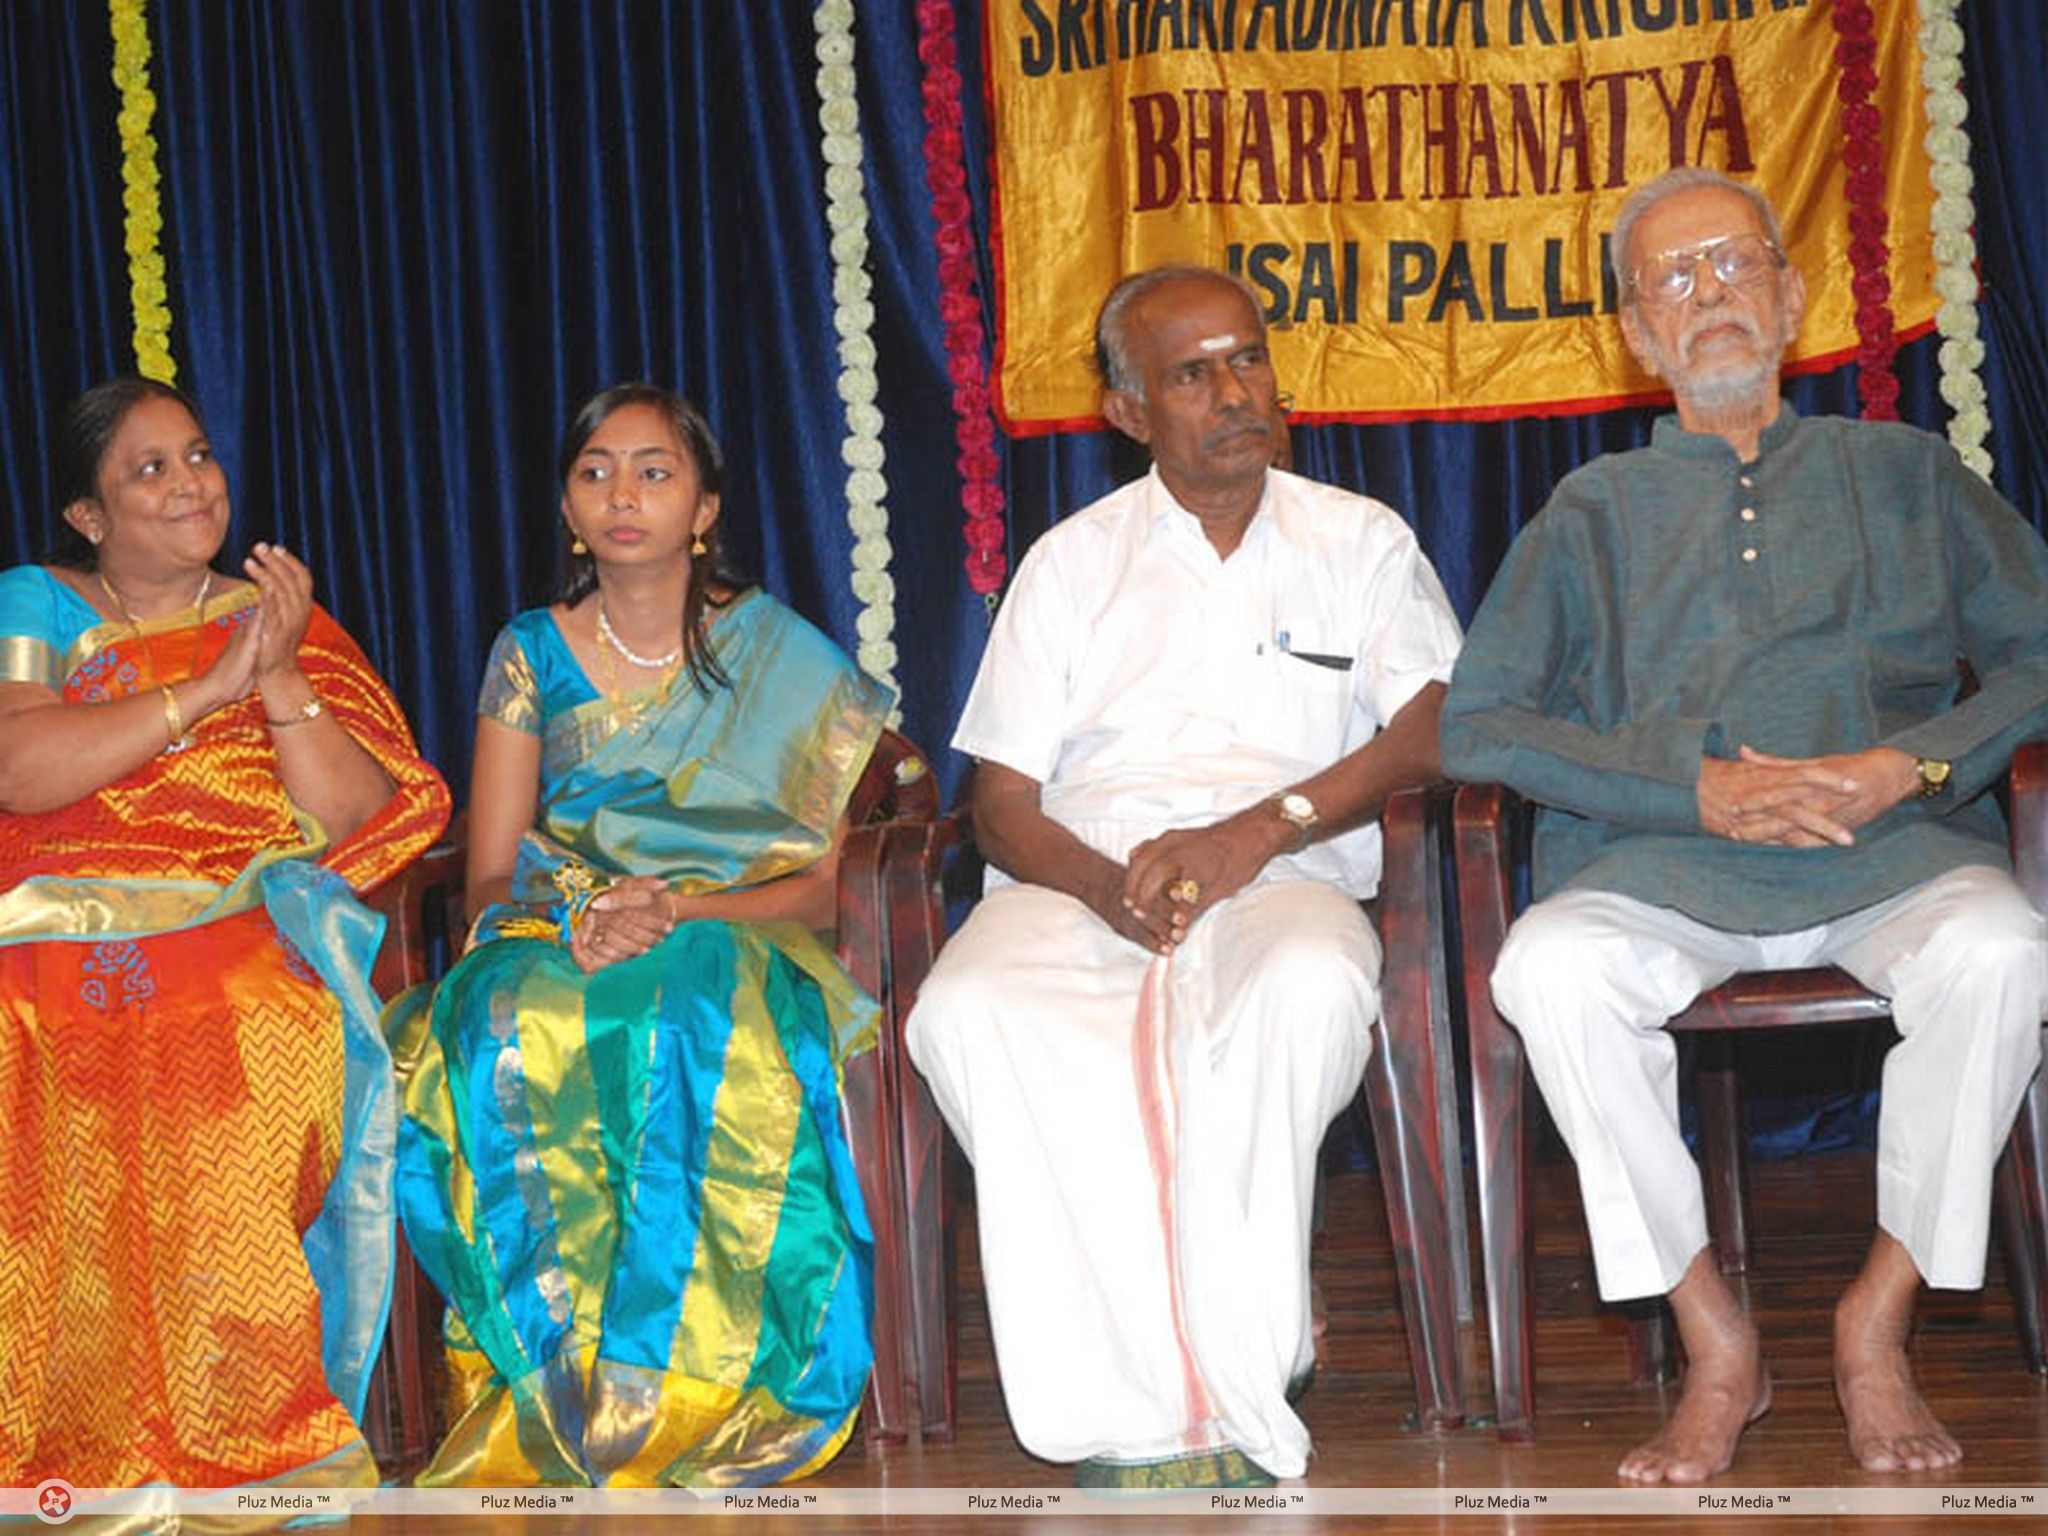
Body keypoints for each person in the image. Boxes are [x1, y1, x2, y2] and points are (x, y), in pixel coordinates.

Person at [1442, 167, 2048, 1484]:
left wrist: (1915, 764)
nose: (1708, 294)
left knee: (2003, 947)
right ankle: (1716, 1339)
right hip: (1658, 860)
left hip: (1888, 849)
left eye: (1733, 265)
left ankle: (1876, 1320)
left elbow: (2040, 652)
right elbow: (1479, 726)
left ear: (1791, 297)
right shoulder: (1589, 513)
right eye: (1674, 277)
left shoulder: (1906, 473)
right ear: (1638, 335)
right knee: (1548, 967)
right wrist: (1691, 784)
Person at [905, 267, 1462, 1486]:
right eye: (1191, 373)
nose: (1232, 391)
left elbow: (1432, 728)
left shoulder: (1357, 541)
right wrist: (1110, 892)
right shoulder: (1072, 561)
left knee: (1301, 991)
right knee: (970, 1011)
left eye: (1246, 358)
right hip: (1081, 879)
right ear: (1125, 409)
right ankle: (1120, 1416)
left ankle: (1235, 1387)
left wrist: (1253, 834)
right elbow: (998, 805)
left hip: (1288, 864)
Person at [393, 384, 894, 1488]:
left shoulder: (776, 652)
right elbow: (486, 866)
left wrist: (679, 908)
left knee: (690, 1006)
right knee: (503, 1014)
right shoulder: (528, 650)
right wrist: (571, 917)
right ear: (568, 510)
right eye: (596, 472)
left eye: (655, 471)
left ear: (703, 507)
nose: (623, 494)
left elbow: (819, 890)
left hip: (731, 931)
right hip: (554, 925)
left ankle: (708, 1387)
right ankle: (558, 1384)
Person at [0, 376, 451, 1492]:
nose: (190, 482)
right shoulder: (35, 605)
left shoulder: (276, 622)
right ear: (88, 520)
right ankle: (66, 1439)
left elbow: (357, 817)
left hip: (238, 924)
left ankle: (239, 1430)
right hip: (51, 926)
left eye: (196, 454)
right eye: (147, 469)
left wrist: (280, 665)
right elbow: (20, 770)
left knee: (235, 1021)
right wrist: (209, 689)